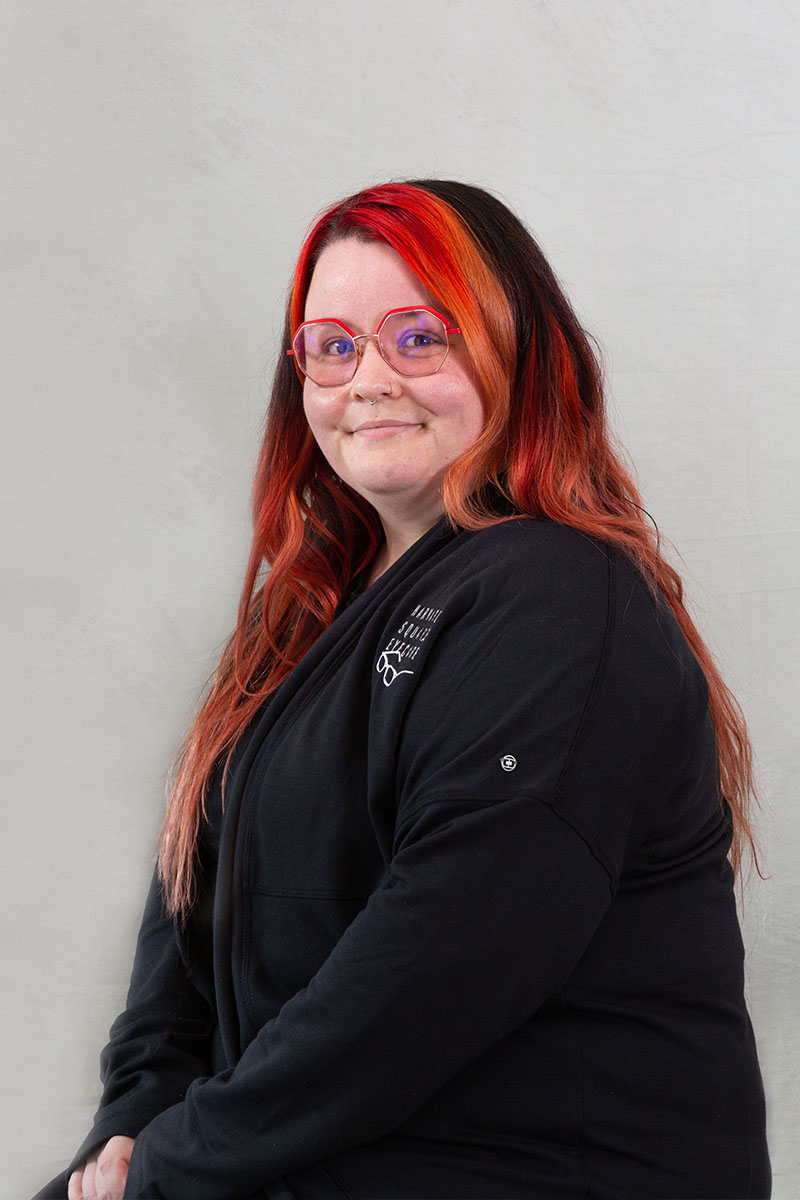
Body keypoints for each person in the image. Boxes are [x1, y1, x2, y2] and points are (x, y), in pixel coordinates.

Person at [37, 180, 770, 1200]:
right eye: (330, 346)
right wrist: (125, 1137)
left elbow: (438, 967)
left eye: (417, 336)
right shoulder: (291, 629)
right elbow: (186, 933)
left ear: (516, 349)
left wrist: (170, 1163)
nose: (366, 378)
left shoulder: (557, 597)